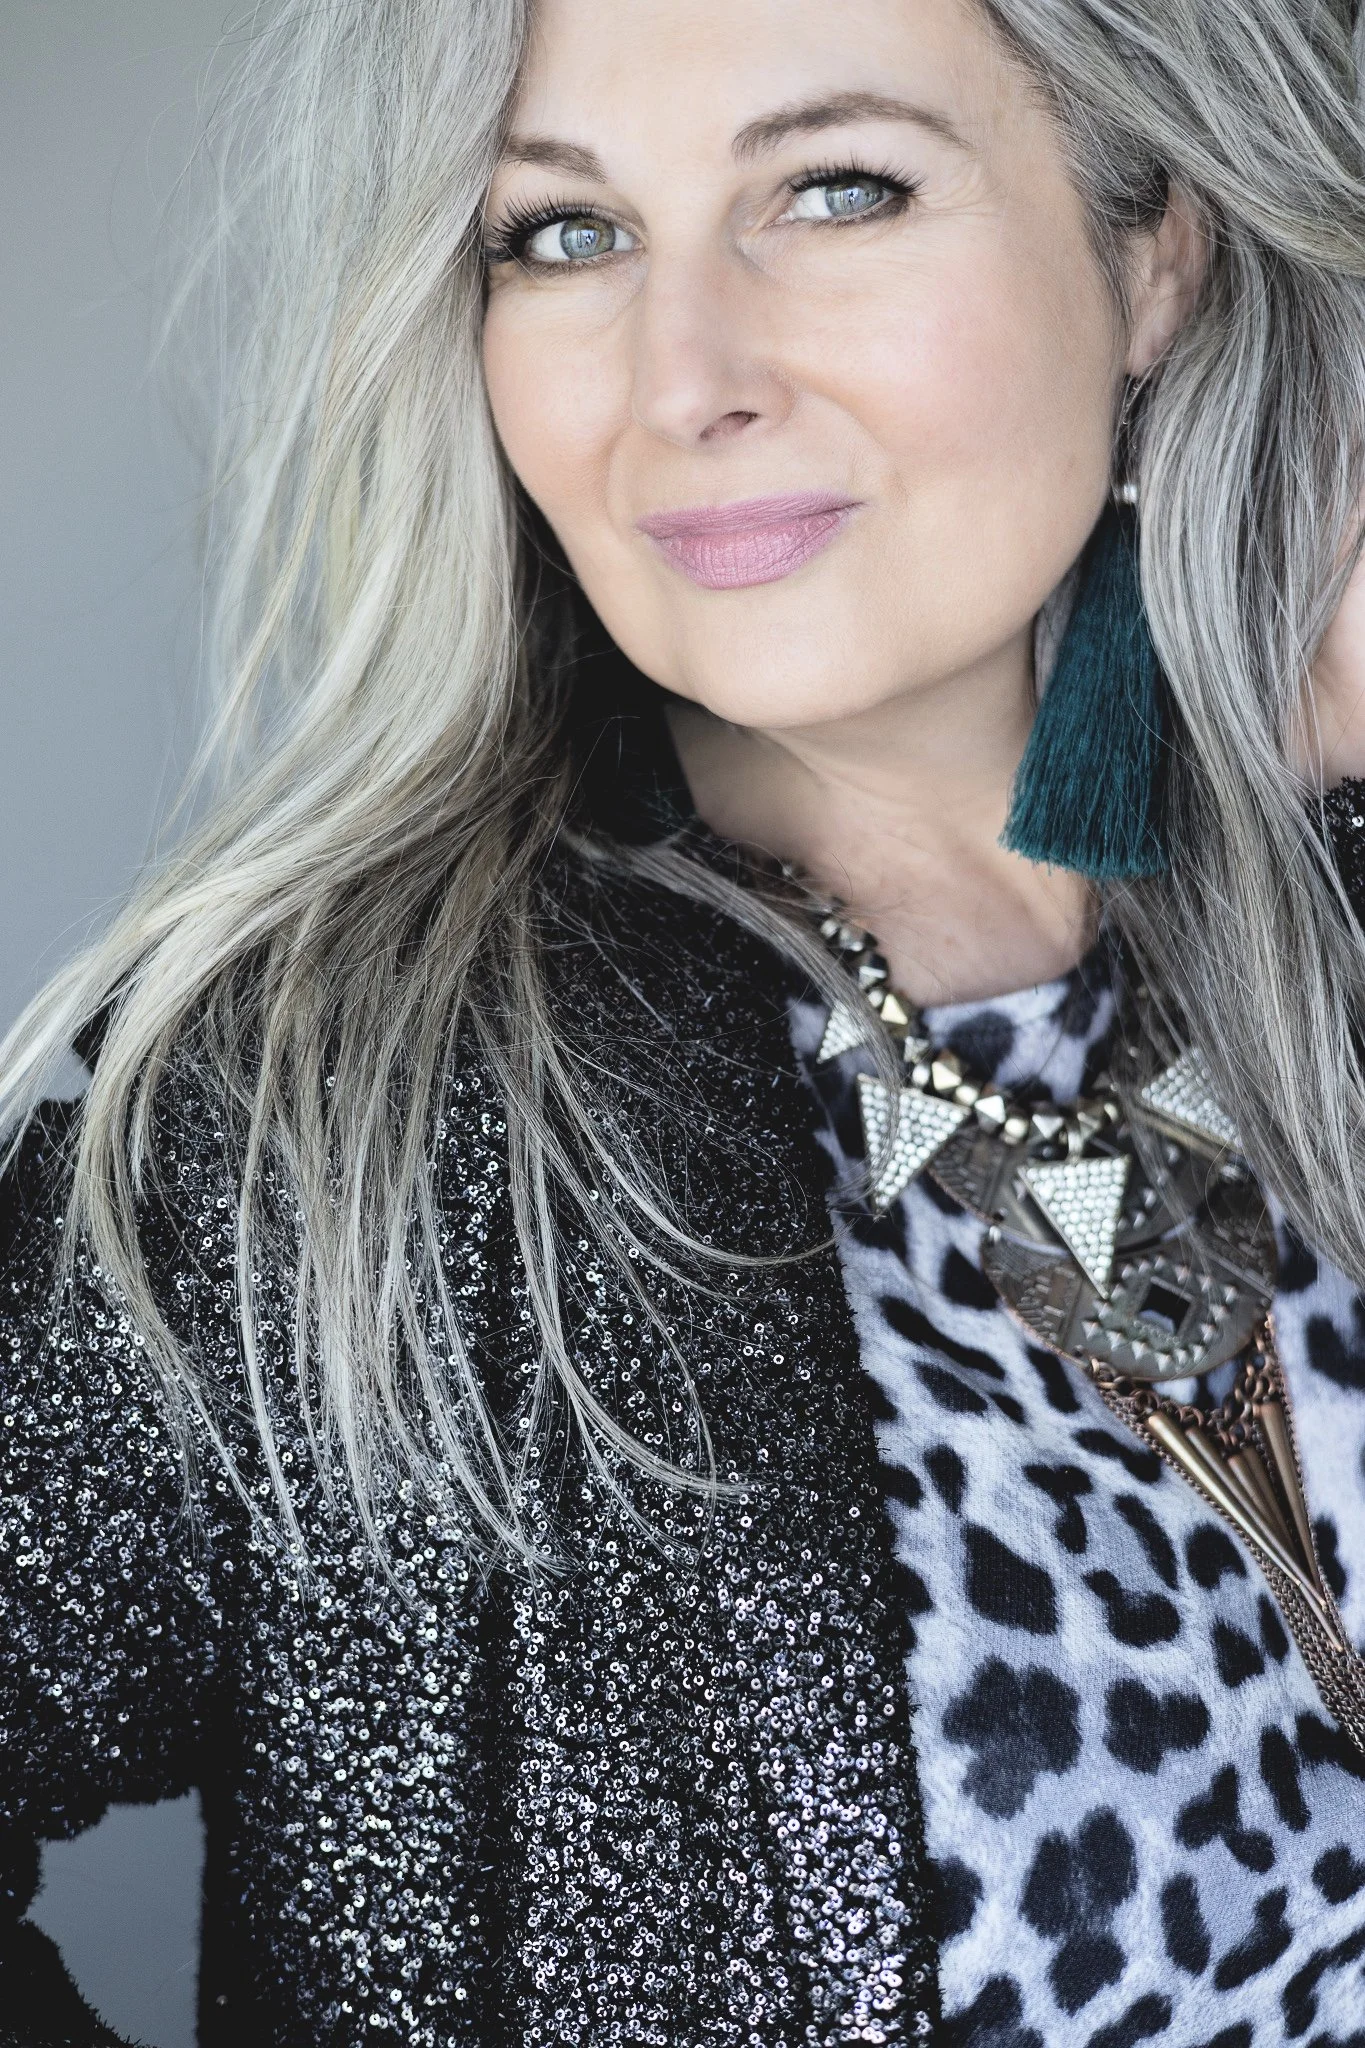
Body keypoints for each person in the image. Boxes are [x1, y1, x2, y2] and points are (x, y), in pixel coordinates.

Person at [6, 0, 1365, 2040]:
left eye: (837, 190)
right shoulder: (326, 1117)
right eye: (561, 235)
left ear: (1154, 255)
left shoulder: (1314, 883)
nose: (682, 377)